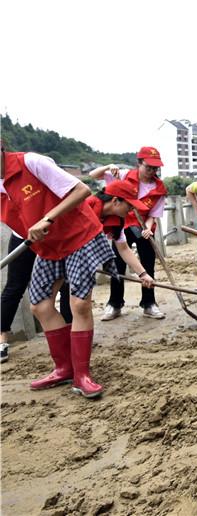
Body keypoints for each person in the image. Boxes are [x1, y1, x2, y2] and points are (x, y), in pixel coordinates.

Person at [1, 141, 114, 398]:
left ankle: (82, 375)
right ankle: (64, 368)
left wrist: (47, 218)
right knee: (40, 305)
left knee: (79, 304)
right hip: (47, 246)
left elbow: (81, 190)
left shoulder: (31, 162)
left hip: (79, 235)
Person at [89, 147, 167, 321]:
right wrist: (108, 167)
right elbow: (93, 175)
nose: (152, 172)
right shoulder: (122, 176)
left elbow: (153, 214)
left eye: (155, 168)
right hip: (120, 223)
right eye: (149, 167)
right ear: (139, 163)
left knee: (147, 266)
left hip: (142, 227)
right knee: (117, 265)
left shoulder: (159, 188)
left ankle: (149, 303)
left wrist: (147, 228)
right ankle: (115, 304)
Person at [1, 231, 73, 363]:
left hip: (55, 236)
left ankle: (71, 334)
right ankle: (1, 338)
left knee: (66, 284)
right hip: (23, 236)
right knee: (15, 286)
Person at [85, 182, 155, 290]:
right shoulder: (86, 206)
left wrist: (143, 274)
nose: (132, 209)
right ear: (115, 201)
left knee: (81, 301)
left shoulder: (118, 220)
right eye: (130, 205)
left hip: (81, 261)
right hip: (62, 253)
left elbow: (124, 249)